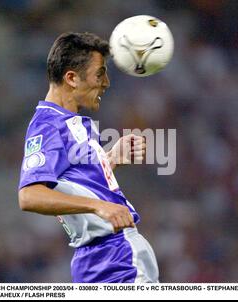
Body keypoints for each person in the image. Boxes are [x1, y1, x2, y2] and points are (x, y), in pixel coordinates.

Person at [18, 32, 159, 283]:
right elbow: (30, 195)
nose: (106, 82)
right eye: (100, 73)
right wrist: (99, 206)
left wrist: (111, 159)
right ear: (71, 78)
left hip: (97, 259)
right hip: (117, 256)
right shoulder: (49, 125)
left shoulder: (72, 123)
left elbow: (75, 180)